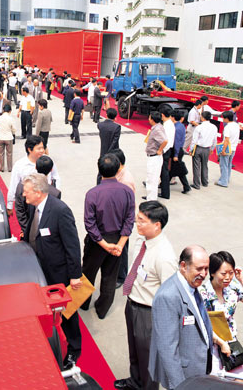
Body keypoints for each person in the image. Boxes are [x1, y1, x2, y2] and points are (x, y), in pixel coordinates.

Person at [114, 201, 177, 390]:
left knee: (148, 359)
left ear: (157, 225)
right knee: (134, 351)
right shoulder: (142, 241)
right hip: (132, 303)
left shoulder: (164, 256)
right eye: (137, 219)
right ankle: (135, 382)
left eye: (142, 220)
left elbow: (170, 296)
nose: (137, 223)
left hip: (148, 313)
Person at [22, 173, 82, 370]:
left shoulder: (60, 211)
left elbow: (72, 246)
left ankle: (74, 349)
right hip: (40, 268)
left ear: (38, 192)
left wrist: (75, 276)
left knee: (66, 313)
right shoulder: (35, 207)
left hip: (58, 272)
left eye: (27, 191)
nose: (23, 195)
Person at [149, 245, 213, 390]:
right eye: (199, 269)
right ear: (183, 266)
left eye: (206, 269)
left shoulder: (191, 285)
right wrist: (180, 386)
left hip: (200, 369)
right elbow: (167, 349)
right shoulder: (168, 296)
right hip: (185, 377)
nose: (204, 274)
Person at [81, 154, 135, 319]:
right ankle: (102, 309)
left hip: (97, 241)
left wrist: (103, 243)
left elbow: (89, 223)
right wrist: (120, 243)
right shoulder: (127, 191)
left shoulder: (93, 193)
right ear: (118, 168)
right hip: (117, 239)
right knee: (110, 276)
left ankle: (84, 303)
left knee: (88, 273)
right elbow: (130, 219)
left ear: (99, 170)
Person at [199, 251, 243, 377]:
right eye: (223, 274)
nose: (228, 277)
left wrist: (241, 280)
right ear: (212, 273)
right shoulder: (203, 293)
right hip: (212, 346)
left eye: (231, 273)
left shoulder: (233, 288)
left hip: (232, 344)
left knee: (237, 380)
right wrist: (221, 343)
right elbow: (203, 323)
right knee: (217, 381)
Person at [6, 135, 61, 216]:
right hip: (29, 202)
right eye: (39, 148)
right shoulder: (20, 165)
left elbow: (56, 177)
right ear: (29, 149)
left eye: (43, 148)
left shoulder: (47, 160)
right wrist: (10, 205)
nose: (42, 151)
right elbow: (14, 185)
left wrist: (56, 194)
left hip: (46, 199)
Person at [108, 148, 136, 289]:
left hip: (122, 219)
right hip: (116, 216)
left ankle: (121, 276)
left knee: (122, 247)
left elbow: (127, 205)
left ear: (118, 163)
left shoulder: (125, 180)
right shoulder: (118, 174)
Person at [15, 155, 61, 234]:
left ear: (35, 167)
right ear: (51, 170)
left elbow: (20, 210)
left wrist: (26, 230)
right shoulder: (55, 193)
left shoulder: (22, 186)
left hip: (27, 231)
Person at [143, 112, 168, 201]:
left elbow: (165, 141)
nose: (148, 119)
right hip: (153, 157)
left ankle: (151, 200)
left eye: (149, 117)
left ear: (152, 120)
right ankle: (150, 197)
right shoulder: (158, 127)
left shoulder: (157, 129)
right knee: (151, 179)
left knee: (152, 179)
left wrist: (160, 150)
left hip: (154, 157)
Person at [190, 110, 217, 190]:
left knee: (196, 166)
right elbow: (215, 140)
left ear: (202, 117)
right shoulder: (214, 127)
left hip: (198, 148)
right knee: (205, 165)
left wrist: (191, 149)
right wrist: (212, 148)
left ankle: (196, 184)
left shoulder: (199, 127)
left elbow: (194, 140)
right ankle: (205, 182)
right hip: (207, 148)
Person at [215, 110, 240, 187]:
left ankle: (223, 182)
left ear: (226, 118)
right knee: (228, 164)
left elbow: (226, 140)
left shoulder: (227, 127)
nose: (223, 119)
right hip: (233, 148)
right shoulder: (236, 125)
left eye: (223, 118)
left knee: (223, 165)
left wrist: (223, 150)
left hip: (227, 148)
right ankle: (226, 179)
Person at [170, 111, 191, 194]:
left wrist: (175, 154)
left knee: (178, 169)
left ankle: (186, 186)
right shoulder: (181, 126)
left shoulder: (176, 128)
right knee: (173, 168)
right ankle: (163, 183)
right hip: (179, 150)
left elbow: (177, 142)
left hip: (177, 150)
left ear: (173, 117)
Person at [159, 106, 175, 200]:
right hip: (167, 149)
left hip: (165, 150)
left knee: (164, 172)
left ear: (162, 115)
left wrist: (161, 150)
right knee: (163, 171)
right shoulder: (169, 124)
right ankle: (164, 189)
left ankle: (165, 193)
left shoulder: (167, 125)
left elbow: (166, 140)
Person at [0, 104, 16, 172]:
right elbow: (14, 129)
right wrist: (12, 132)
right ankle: (9, 168)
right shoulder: (11, 118)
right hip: (8, 137)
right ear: (10, 111)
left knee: (1, 153)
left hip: (0, 137)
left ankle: (2, 167)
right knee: (9, 153)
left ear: (3, 110)